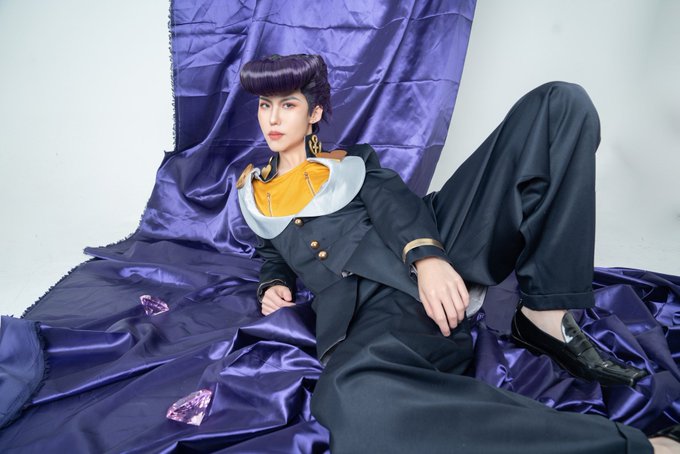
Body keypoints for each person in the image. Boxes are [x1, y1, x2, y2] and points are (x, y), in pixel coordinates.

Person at [236, 54, 679, 453]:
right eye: (264, 105)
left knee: (559, 104)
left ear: (313, 113)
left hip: (442, 232)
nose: (272, 118)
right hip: (373, 308)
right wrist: (272, 283)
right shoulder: (253, 193)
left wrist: (428, 258)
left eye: (288, 104)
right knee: (352, 399)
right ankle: (635, 447)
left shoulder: (349, 162)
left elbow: (395, 205)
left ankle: (544, 313)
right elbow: (272, 249)